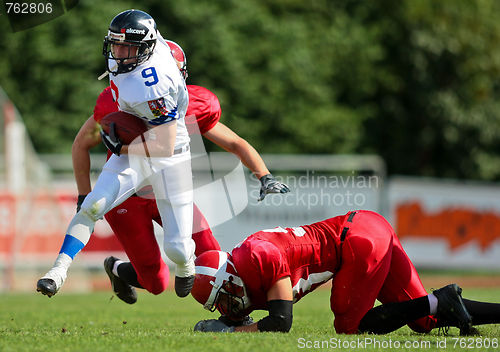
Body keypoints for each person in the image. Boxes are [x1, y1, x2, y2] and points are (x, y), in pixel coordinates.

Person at [70, 41, 290, 303]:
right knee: (156, 282)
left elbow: (235, 142)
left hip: (170, 188)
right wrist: (85, 195)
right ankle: (117, 268)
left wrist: (264, 175)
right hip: (130, 197)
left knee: (211, 255)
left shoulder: (191, 104)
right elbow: (81, 143)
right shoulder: (120, 98)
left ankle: (232, 315)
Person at [37, 9, 197, 298]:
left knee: (178, 248)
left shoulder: (156, 82)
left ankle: (187, 265)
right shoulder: (133, 52)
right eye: (116, 44)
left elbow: (164, 145)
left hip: (170, 153)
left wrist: (120, 146)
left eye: (127, 47)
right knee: (94, 206)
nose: (119, 53)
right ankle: (57, 271)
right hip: (138, 141)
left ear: (146, 49)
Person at [191, 210, 500, 335]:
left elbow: (280, 322)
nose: (226, 307)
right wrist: (224, 322)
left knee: (348, 324)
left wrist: (231, 331)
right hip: (367, 229)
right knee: (423, 322)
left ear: (229, 277)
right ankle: (450, 304)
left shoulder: (256, 256)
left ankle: (440, 299)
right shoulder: (238, 269)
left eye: (223, 298)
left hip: (356, 241)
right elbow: (239, 311)